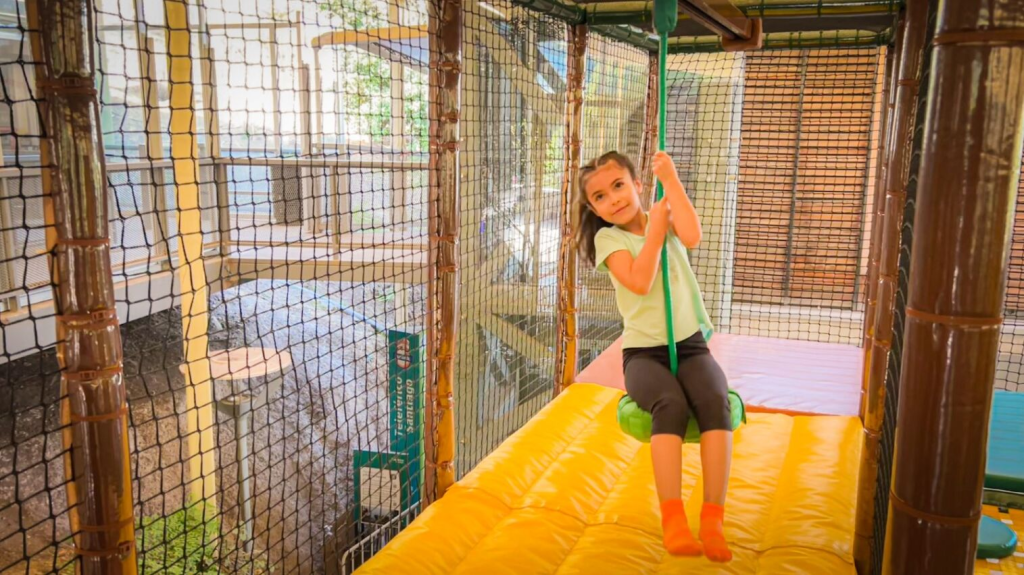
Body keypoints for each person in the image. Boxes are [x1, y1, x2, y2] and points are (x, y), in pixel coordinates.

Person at [575, 150, 734, 562]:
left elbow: (693, 236)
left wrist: (673, 182)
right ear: (594, 209)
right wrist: (657, 234)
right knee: (670, 404)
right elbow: (641, 281)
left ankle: (713, 519)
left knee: (715, 399)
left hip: (690, 345)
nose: (613, 199)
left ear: (637, 184)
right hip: (644, 354)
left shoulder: (663, 214)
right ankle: (673, 520)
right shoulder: (609, 240)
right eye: (600, 197)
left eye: (618, 186)